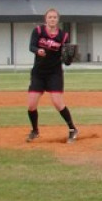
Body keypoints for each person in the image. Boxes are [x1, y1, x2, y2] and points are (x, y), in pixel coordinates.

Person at [26, 8, 78, 143]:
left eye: (55, 17)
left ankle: (72, 129)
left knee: (57, 102)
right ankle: (35, 130)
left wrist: (69, 59)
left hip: (54, 73)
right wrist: (38, 50)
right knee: (31, 105)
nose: (52, 19)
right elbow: (31, 46)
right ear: (46, 19)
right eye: (50, 17)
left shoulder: (63, 36)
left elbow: (66, 58)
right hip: (39, 72)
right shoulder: (38, 31)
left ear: (58, 20)